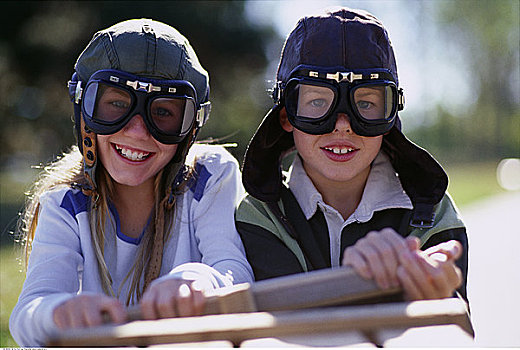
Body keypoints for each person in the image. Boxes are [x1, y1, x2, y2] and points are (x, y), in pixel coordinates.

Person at [10, 19, 253, 346]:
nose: (137, 132)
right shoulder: (64, 204)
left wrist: (196, 280)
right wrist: (59, 310)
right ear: (84, 110)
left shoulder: (209, 176)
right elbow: (29, 311)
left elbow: (234, 270)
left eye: (164, 112)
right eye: (116, 105)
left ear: (191, 128)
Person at [236, 8, 469, 304]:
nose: (342, 125)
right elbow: (279, 328)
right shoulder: (261, 214)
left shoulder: (431, 214)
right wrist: (364, 282)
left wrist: (437, 296)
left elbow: (455, 333)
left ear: (390, 116)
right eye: (318, 101)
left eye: (366, 104)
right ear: (286, 115)